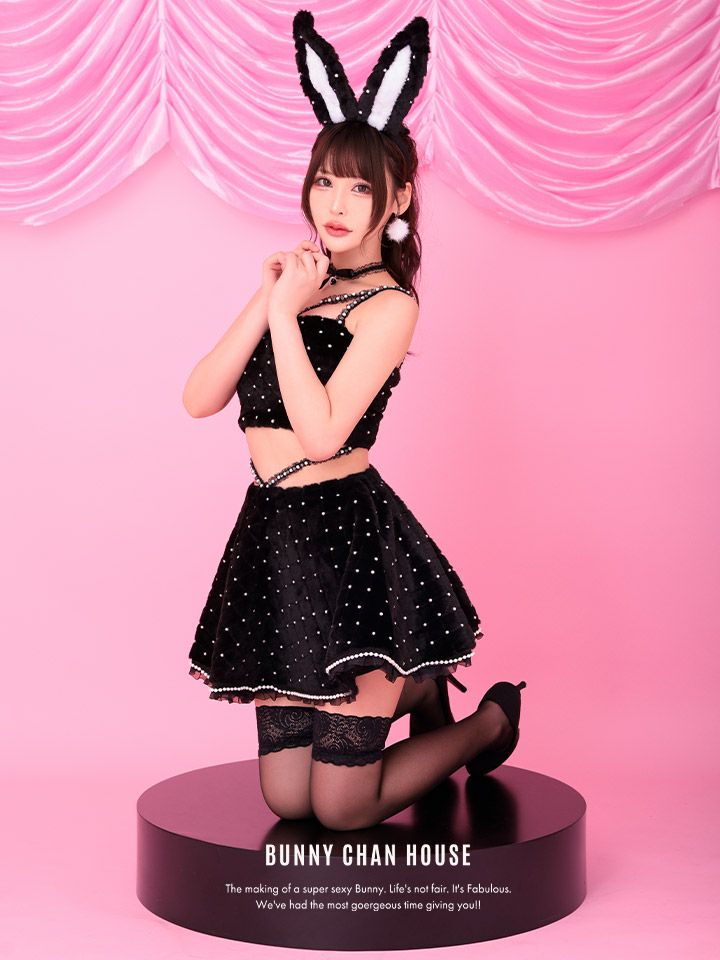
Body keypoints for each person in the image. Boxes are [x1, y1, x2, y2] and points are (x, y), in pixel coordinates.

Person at [184, 11, 526, 831]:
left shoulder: (389, 305)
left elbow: (323, 435)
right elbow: (200, 396)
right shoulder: (298, 283)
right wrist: (269, 297)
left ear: (399, 196)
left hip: (346, 542)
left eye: (361, 187)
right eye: (326, 182)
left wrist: (288, 313)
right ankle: (418, 686)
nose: (336, 205)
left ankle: (488, 721)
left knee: (340, 809)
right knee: (286, 799)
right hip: (273, 534)